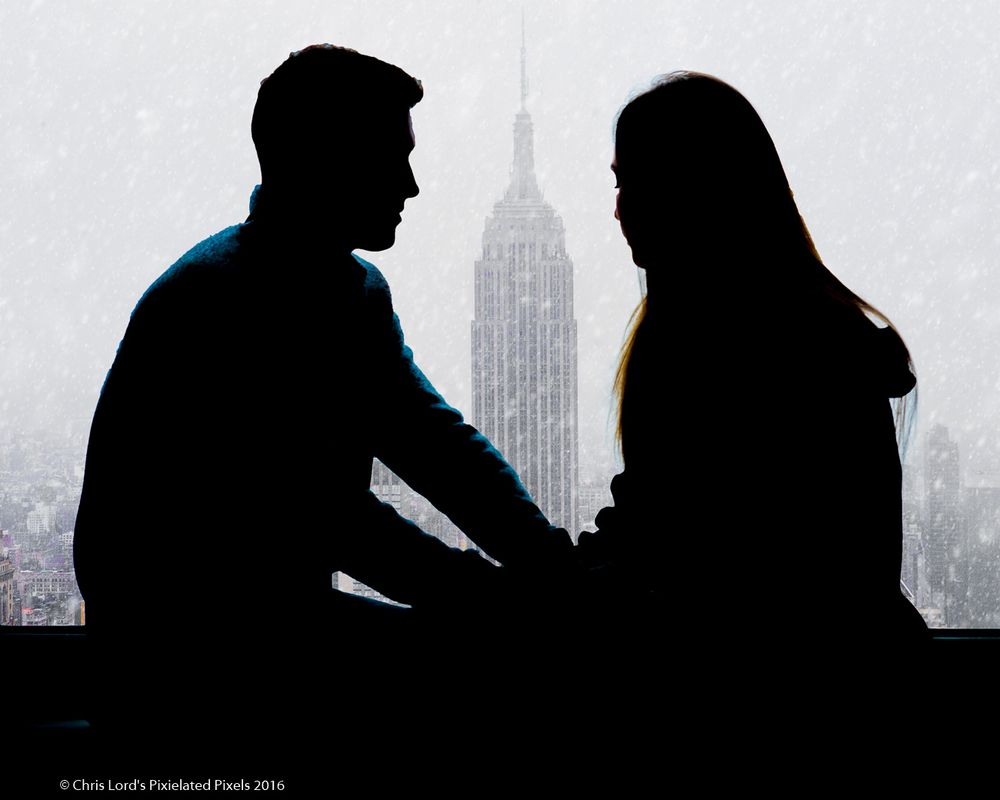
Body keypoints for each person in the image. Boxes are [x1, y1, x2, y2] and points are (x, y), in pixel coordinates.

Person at [72, 44, 574, 751]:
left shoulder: (331, 289)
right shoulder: (227, 302)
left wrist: (548, 566)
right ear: (330, 160)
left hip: (242, 640)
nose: (412, 184)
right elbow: (336, 516)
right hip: (187, 673)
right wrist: (521, 590)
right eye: (393, 157)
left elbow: (431, 442)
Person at [577, 71, 929, 641]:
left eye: (636, 182)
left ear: (695, 189)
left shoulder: (729, 349)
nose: (619, 210)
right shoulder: (808, 335)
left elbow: (690, 553)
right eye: (618, 184)